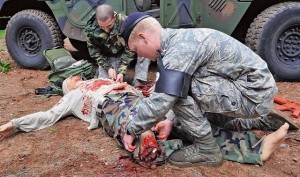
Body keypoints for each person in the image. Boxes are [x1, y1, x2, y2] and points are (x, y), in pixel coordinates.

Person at [118, 12, 299, 166]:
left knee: (175, 90)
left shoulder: (179, 50)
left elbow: (166, 96)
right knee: (183, 100)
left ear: (143, 37)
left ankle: (207, 149)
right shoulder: (179, 40)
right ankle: (256, 121)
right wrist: (171, 120)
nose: (139, 55)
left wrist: (131, 129)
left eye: (136, 49)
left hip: (251, 95)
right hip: (253, 91)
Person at [0, 77, 292, 167]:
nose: (78, 79)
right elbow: (47, 116)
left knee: (185, 121)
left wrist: (123, 84)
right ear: (70, 86)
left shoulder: (103, 78)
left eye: (77, 77)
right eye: (73, 80)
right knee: (144, 139)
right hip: (114, 109)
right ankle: (255, 148)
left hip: (142, 102)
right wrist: (12, 124)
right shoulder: (75, 96)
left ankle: (254, 141)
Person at [84, 4, 151, 85]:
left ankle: (139, 81)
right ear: (96, 19)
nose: (106, 30)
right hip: (109, 56)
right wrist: (108, 68)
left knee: (144, 47)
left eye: (109, 26)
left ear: (114, 17)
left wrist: (121, 71)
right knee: (106, 85)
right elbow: (95, 53)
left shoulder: (126, 23)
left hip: (125, 52)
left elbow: (129, 50)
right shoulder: (91, 29)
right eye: (102, 27)